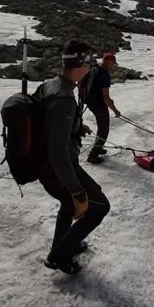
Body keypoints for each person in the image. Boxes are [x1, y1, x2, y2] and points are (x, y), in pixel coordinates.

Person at [38, 39, 111, 275]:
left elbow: (47, 122)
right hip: (58, 167)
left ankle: (65, 244)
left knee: (69, 205)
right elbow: (58, 154)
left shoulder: (51, 85)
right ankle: (59, 255)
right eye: (89, 63)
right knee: (98, 206)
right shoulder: (65, 99)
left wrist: (75, 128)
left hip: (48, 165)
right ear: (81, 64)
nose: (91, 68)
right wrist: (76, 189)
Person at [84, 51, 121, 165]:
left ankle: (99, 148)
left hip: (89, 101)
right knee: (104, 129)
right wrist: (115, 110)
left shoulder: (94, 69)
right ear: (108, 62)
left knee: (102, 127)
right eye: (113, 63)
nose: (113, 65)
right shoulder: (104, 75)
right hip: (97, 103)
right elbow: (106, 97)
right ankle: (93, 155)